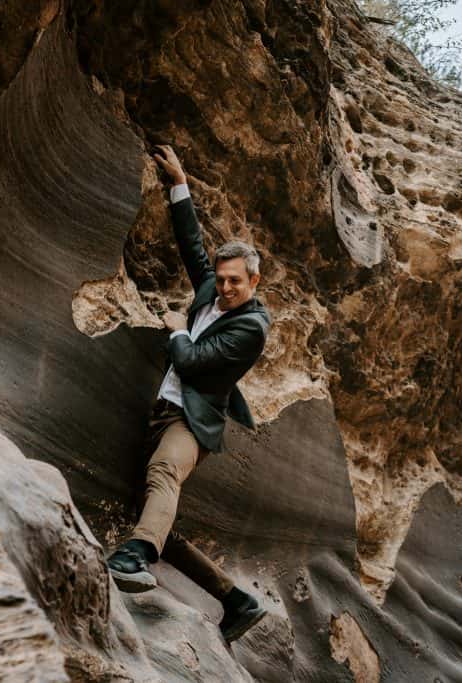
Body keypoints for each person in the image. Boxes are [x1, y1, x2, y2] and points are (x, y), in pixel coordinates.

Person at [107, 144, 272, 643]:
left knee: (164, 473)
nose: (223, 288)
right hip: (163, 409)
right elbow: (192, 247)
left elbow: (193, 361)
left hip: (191, 421)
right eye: (220, 280)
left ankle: (134, 559)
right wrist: (179, 186)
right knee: (156, 513)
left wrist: (178, 328)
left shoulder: (252, 327)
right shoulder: (212, 288)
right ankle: (236, 600)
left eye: (234, 282)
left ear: (254, 281)